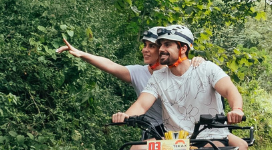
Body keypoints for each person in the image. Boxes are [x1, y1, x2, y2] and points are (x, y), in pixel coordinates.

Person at [112, 25, 248, 150]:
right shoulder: (158, 77)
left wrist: (237, 109)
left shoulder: (206, 69)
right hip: (173, 141)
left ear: (183, 48)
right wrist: (125, 116)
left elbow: (230, 91)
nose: (161, 49)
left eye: (167, 45)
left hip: (209, 137)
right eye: (160, 45)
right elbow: (142, 104)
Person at [57, 26, 201, 133]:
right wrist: (81, 54)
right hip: (154, 133)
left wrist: (198, 62)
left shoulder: (173, 72)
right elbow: (110, 65)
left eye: (151, 46)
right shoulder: (139, 72)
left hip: (183, 131)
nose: (145, 50)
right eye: (145, 45)